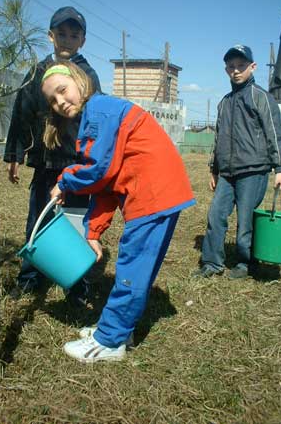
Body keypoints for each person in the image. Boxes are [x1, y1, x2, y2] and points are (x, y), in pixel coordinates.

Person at [40, 61, 196, 363]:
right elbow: (106, 185)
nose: (60, 102)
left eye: (62, 90)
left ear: (80, 81)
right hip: (153, 190)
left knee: (132, 265)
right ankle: (120, 328)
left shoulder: (101, 112)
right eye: (53, 100)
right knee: (134, 263)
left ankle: (110, 341)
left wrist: (65, 181)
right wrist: (94, 233)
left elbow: (98, 171)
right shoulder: (94, 117)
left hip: (154, 193)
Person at [4, 6, 101, 298]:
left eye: (74, 34)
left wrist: (92, 161)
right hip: (45, 163)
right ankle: (30, 277)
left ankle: (77, 283)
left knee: (75, 222)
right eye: (61, 33)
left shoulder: (88, 74)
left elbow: (96, 120)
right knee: (37, 219)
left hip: (75, 164)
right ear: (50, 36)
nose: (67, 39)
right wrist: (14, 155)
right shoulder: (37, 73)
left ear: (82, 40)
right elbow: (22, 113)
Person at [193, 44, 281, 281]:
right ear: (226, 70)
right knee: (216, 217)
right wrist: (214, 170)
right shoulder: (224, 103)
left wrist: (280, 169)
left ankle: (246, 263)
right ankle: (212, 263)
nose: (236, 71)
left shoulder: (261, 97)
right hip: (226, 172)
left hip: (254, 170)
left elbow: (274, 133)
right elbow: (218, 138)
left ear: (252, 67)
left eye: (241, 66)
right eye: (231, 67)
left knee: (246, 221)